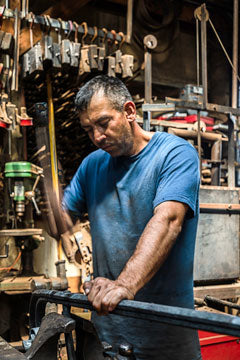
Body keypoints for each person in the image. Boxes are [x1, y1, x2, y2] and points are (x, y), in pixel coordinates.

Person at [63, 75, 202, 360]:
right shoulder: (92, 165)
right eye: (89, 129)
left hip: (166, 337)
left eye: (104, 123)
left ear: (129, 111)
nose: (97, 137)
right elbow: (65, 215)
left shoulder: (175, 155)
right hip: (105, 336)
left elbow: (168, 221)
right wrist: (58, 221)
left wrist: (125, 284)